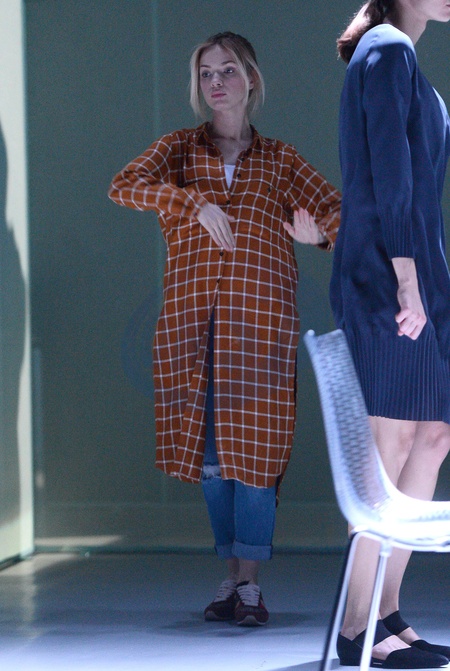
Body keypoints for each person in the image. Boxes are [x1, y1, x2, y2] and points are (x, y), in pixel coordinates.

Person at [109, 31, 340, 626]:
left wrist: (320, 235)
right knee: (213, 465)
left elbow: (338, 212)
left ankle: (248, 584)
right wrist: (193, 203)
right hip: (192, 332)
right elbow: (124, 186)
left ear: (251, 79)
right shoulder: (178, 150)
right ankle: (233, 578)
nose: (216, 82)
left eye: (228, 70)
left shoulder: (280, 160)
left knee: (257, 461)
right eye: (206, 73)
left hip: (260, 331)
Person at [330, 0, 450, 667]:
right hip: (386, 279)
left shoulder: (399, 55)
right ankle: (356, 626)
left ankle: (387, 610)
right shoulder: (387, 49)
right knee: (390, 447)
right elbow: (388, 174)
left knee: (432, 436)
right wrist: (406, 278)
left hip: (415, 279)